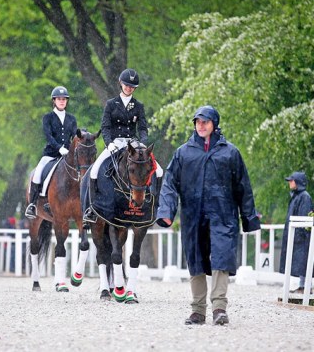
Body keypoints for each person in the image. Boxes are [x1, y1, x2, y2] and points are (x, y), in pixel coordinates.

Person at [155, 105, 260, 326]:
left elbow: (243, 187)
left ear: (214, 124)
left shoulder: (230, 152)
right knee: (196, 260)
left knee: (221, 259)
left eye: (205, 122)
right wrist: (166, 211)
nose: (201, 125)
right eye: (198, 122)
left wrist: (249, 219)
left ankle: (219, 308)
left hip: (223, 215)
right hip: (193, 215)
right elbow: (170, 184)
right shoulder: (183, 153)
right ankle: (198, 311)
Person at [83, 68, 161, 223]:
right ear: (121, 84)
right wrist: (109, 143)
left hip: (133, 143)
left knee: (158, 170)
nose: (129, 88)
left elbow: (143, 128)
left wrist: (143, 144)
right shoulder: (111, 104)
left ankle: (155, 205)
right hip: (115, 142)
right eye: (126, 85)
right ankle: (90, 209)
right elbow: (105, 127)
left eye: (132, 86)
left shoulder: (138, 106)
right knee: (94, 170)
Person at [25, 86, 78, 219]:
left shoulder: (71, 119)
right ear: (54, 101)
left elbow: (74, 136)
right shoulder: (47, 117)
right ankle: (32, 204)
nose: (61, 101)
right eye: (59, 99)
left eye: (64, 99)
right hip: (51, 154)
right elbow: (48, 136)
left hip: (67, 156)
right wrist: (59, 148)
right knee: (37, 174)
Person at [279, 171, 313, 293]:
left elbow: (304, 220)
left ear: (297, 182)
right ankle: (302, 286)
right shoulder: (296, 196)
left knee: (303, 260)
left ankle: (306, 287)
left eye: (292, 180)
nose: (289, 182)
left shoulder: (304, 197)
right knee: (300, 261)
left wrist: (299, 236)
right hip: (295, 236)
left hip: (301, 237)